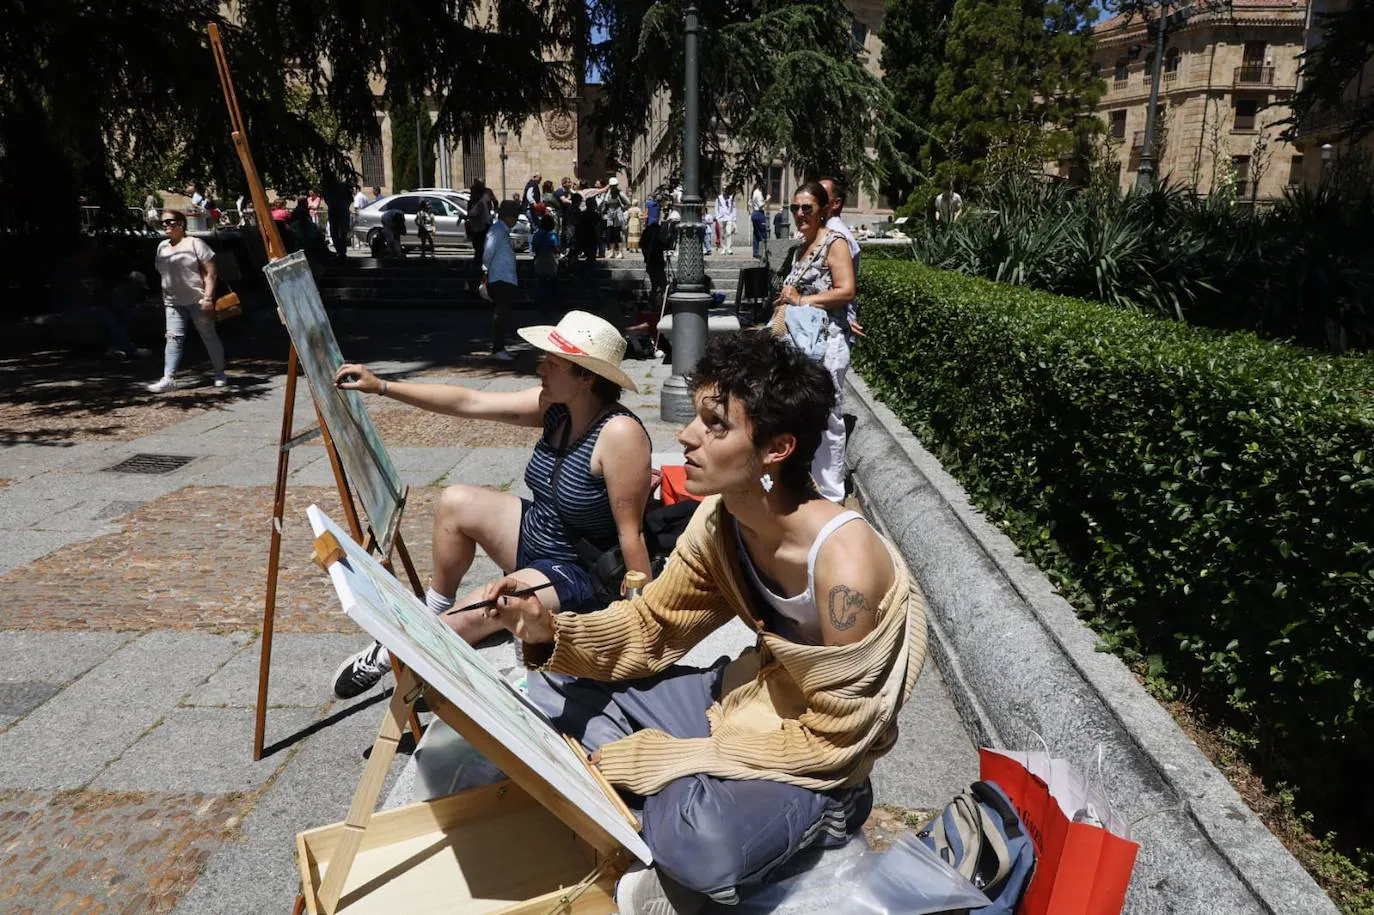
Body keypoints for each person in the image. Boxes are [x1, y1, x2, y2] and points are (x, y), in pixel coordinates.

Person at [480, 330, 927, 912]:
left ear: (776, 448)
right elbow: (652, 629)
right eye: (697, 418)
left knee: (702, 846)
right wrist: (548, 629)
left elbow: (838, 741)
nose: (686, 437)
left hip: (824, 761)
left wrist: (677, 756)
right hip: (748, 698)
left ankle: (797, 821)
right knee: (549, 687)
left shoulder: (844, 566)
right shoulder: (721, 523)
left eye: (716, 426)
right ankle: (677, 801)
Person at [330, 310, 654, 698]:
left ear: (585, 377)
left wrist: (643, 625)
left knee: (489, 605)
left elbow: (630, 533)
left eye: (553, 363)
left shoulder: (620, 434)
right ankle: (432, 608)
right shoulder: (556, 408)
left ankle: (394, 652)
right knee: (456, 501)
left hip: (575, 567)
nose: (541, 368)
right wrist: (382, 386)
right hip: (535, 533)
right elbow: (470, 401)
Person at [775, 182, 856, 502]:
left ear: (824, 209)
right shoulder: (801, 247)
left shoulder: (834, 243)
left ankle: (832, 494)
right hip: (804, 344)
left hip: (829, 342)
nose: (799, 214)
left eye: (807, 208)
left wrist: (800, 300)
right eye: (795, 208)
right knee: (803, 413)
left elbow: (846, 290)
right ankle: (807, 481)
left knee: (830, 415)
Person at [148, 210, 228, 393]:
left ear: (181, 223)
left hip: (197, 300)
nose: (166, 225)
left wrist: (208, 297)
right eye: (163, 223)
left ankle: (219, 372)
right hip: (173, 301)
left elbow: (211, 272)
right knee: (173, 338)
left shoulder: (194, 243)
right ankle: (168, 377)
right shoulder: (162, 247)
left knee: (208, 335)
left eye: (170, 222)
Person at [818, 175, 865, 339]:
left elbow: (844, 291)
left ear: (835, 203)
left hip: (833, 328)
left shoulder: (838, 237)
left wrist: (800, 299)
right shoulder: (821, 232)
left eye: (821, 196)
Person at [483, 199, 521, 361]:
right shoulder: (498, 231)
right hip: (500, 277)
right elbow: (488, 252)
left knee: (504, 313)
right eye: (515, 216)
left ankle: (500, 346)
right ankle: (498, 348)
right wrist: (485, 271)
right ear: (509, 217)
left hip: (505, 277)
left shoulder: (501, 231)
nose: (516, 220)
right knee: (501, 313)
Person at [531, 213, 560, 313]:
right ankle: (551, 306)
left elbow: (534, 248)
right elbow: (556, 248)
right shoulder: (552, 234)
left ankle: (541, 306)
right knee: (551, 283)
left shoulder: (536, 234)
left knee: (541, 283)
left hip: (539, 259)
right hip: (550, 260)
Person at [465, 178, 495, 274]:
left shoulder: (485, 195)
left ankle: (480, 264)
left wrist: (494, 209)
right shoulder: (473, 201)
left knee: (481, 246)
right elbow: (471, 212)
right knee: (478, 245)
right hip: (477, 225)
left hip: (483, 224)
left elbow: (473, 213)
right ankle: (479, 263)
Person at [600, 178, 628, 259]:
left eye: (614, 186)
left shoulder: (620, 194)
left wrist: (621, 210)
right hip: (609, 215)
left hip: (617, 216)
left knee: (617, 234)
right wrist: (603, 211)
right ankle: (612, 252)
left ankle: (620, 252)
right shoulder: (607, 194)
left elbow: (628, 202)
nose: (613, 187)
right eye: (612, 186)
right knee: (610, 234)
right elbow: (605, 204)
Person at [715, 187, 737, 256]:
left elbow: (733, 208)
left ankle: (729, 248)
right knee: (722, 234)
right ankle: (723, 248)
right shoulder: (719, 198)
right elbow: (716, 208)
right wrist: (717, 218)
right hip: (721, 218)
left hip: (729, 218)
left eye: (726, 190)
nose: (725, 191)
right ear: (722, 191)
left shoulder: (731, 198)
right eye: (724, 190)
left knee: (729, 233)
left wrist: (734, 218)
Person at [750, 184, 768, 258]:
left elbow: (750, 203)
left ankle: (756, 252)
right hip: (759, 214)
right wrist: (767, 200)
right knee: (763, 234)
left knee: (756, 234)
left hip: (754, 213)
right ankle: (764, 252)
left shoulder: (754, 192)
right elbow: (760, 205)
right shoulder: (759, 193)